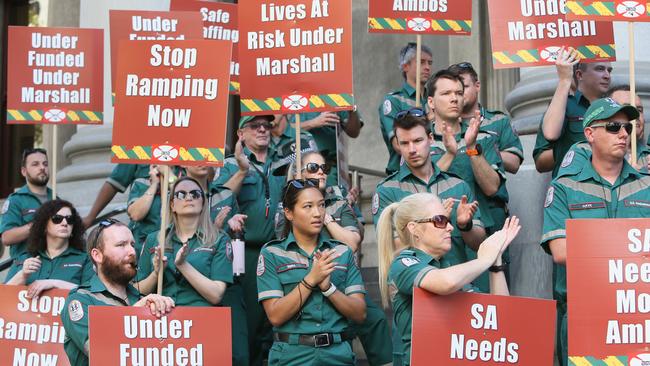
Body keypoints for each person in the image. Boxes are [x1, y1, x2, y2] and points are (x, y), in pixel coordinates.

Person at [541, 98, 649, 366]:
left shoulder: (646, 186)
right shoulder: (564, 188)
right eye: (613, 126)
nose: (624, 133)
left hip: (636, 315)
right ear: (589, 133)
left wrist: (595, 244)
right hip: (585, 313)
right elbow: (561, 250)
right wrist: (629, 247)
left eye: (627, 126)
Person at [372, 111, 485, 365]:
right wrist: (430, 227)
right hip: (416, 303)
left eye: (418, 141)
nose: (412, 149)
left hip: (459, 297)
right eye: (404, 143)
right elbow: (390, 247)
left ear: (431, 139)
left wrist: (465, 225)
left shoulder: (457, 185)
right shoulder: (388, 189)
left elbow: (479, 243)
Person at [377, 193, 520, 365]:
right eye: (440, 220)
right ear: (414, 228)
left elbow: (498, 315)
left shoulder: (449, 267)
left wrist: (495, 260)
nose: (450, 227)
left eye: (448, 220)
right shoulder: (404, 263)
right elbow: (445, 283)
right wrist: (483, 259)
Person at [280, 151, 392, 366]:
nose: (321, 172)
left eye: (324, 168)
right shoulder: (288, 205)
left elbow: (351, 243)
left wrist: (327, 219)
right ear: (299, 174)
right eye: (313, 168)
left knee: (374, 318)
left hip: (339, 278)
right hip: (299, 276)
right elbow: (283, 242)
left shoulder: (338, 204)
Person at [257, 179, 367, 365]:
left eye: (321, 205)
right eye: (307, 206)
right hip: (292, 356)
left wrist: (329, 288)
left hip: (337, 354)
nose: (317, 213)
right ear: (289, 213)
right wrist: (311, 279)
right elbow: (275, 316)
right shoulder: (272, 253)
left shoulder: (342, 252)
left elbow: (360, 313)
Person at [214, 115, 286, 365]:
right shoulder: (231, 164)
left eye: (267, 125)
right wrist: (243, 170)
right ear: (240, 134)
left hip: (276, 250)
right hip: (244, 253)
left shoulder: (283, 162)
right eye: (255, 126)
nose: (263, 130)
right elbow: (217, 200)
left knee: (271, 325)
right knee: (250, 324)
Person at [427, 69, 508, 291]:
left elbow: (492, 187)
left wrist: (471, 148)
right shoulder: (419, 143)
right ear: (431, 102)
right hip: (435, 240)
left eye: (458, 93)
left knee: (482, 309)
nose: (454, 98)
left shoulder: (483, 138)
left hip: (476, 238)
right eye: (446, 93)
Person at [61, 219, 175, 366]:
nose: (132, 251)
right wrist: (134, 314)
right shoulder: (80, 301)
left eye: (132, 244)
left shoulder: (142, 299)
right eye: (121, 245)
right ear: (97, 255)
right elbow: (102, 352)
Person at [539, 47, 612, 176]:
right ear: (579, 74)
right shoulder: (564, 105)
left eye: (609, 70)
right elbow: (541, 161)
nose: (607, 75)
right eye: (600, 69)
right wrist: (564, 80)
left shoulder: (613, 108)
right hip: (573, 188)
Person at [5, 200, 93, 298]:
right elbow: (3, 296)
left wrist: (55, 283)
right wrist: (23, 275)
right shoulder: (25, 257)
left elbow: (92, 295)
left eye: (70, 219)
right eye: (57, 219)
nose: (64, 223)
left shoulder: (85, 258)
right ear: (44, 225)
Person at [447, 62, 523, 174]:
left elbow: (514, 163)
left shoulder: (499, 120)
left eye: (464, 87)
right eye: (453, 89)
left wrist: (478, 150)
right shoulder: (443, 125)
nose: (459, 92)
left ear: (477, 86)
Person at [558, 85, 650, 175]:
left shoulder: (648, 154)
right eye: (623, 108)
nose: (637, 116)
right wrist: (630, 178)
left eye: (639, 110)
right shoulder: (583, 151)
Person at [379, 42, 433, 174]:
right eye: (421, 62)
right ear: (405, 66)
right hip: (402, 175)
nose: (427, 67)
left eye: (430, 63)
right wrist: (427, 119)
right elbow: (398, 145)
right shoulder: (393, 101)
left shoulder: (434, 100)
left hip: (434, 172)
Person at [285, 108, 363, 186]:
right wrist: (313, 123)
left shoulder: (336, 98)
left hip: (327, 167)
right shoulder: (292, 98)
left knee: (330, 195)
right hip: (297, 165)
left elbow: (354, 132)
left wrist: (352, 110)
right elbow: (282, 130)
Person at [1, 148, 54, 259]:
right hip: (26, 265)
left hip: (54, 263)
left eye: (45, 164)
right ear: (24, 171)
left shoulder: (55, 199)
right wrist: (39, 224)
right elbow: (6, 238)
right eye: (35, 164)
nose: (42, 168)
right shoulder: (15, 200)